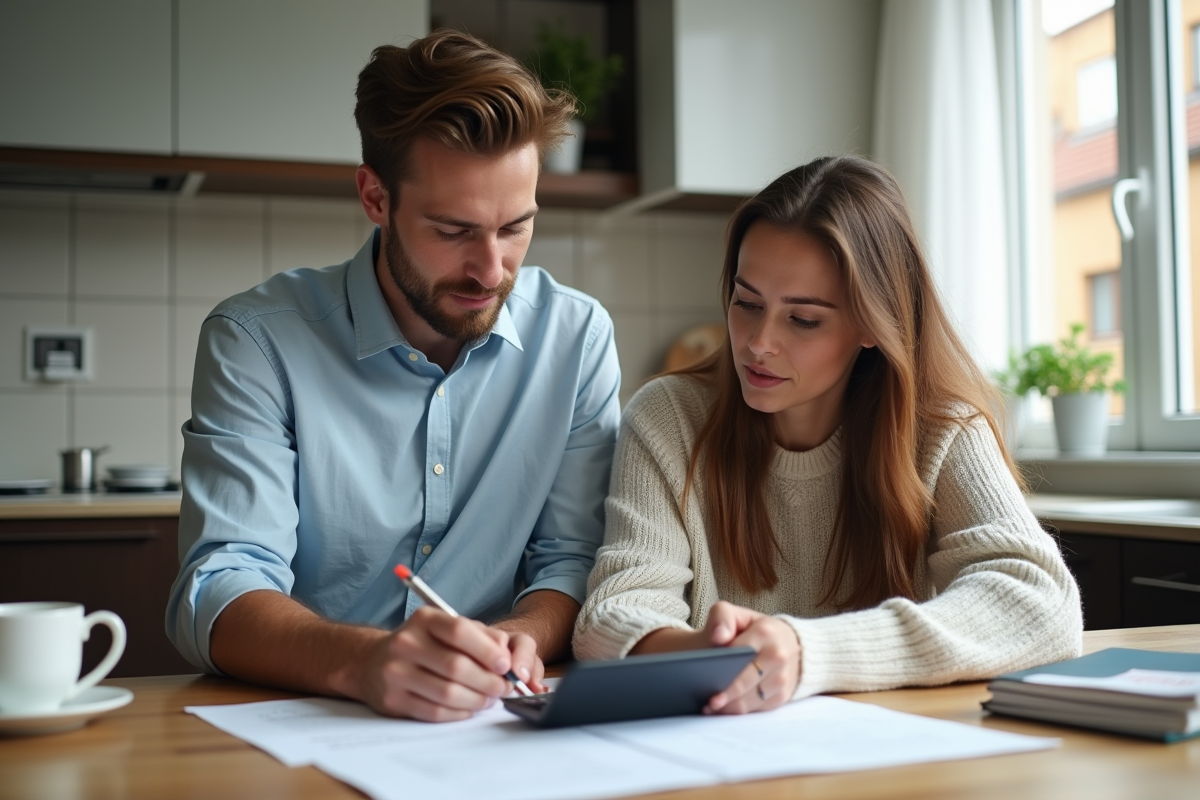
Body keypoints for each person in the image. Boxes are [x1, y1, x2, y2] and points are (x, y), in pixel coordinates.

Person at [166, 30, 621, 722]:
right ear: (374, 198)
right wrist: (363, 662)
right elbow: (219, 588)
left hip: (491, 728)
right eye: (453, 230)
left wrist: (520, 638)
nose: (491, 270)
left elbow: (573, 560)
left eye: (515, 228)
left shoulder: (577, 338)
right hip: (305, 726)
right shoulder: (257, 341)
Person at [573, 156, 1082, 714]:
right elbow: (609, 618)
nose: (758, 342)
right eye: (746, 303)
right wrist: (716, 654)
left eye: (804, 319)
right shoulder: (668, 416)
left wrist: (806, 652)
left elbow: (1043, 605)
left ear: (871, 323)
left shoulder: (942, 429)